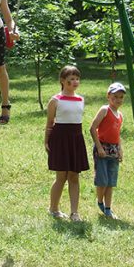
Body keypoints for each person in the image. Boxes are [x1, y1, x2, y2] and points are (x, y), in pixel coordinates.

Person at [45, 65, 90, 222]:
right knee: (61, 176)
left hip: (76, 139)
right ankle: (53, 208)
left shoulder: (81, 99)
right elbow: (50, 123)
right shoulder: (55, 100)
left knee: (74, 176)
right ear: (62, 81)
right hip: (60, 139)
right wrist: (46, 141)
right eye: (71, 79)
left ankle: (74, 212)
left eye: (77, 78)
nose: (75, 81)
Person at [89, 82, 126, 219]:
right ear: (108, 96)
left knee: (111, 181)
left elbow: (117, 133)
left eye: (121, 97)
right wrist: (99, 147)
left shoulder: (120, 115)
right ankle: (100, 202)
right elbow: (93, 128)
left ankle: (108, 208)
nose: (118, 100)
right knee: (102, 180)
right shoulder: (105, 110)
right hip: (103, 148)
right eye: (115, 96)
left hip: (114, 149)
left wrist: (120, 149)